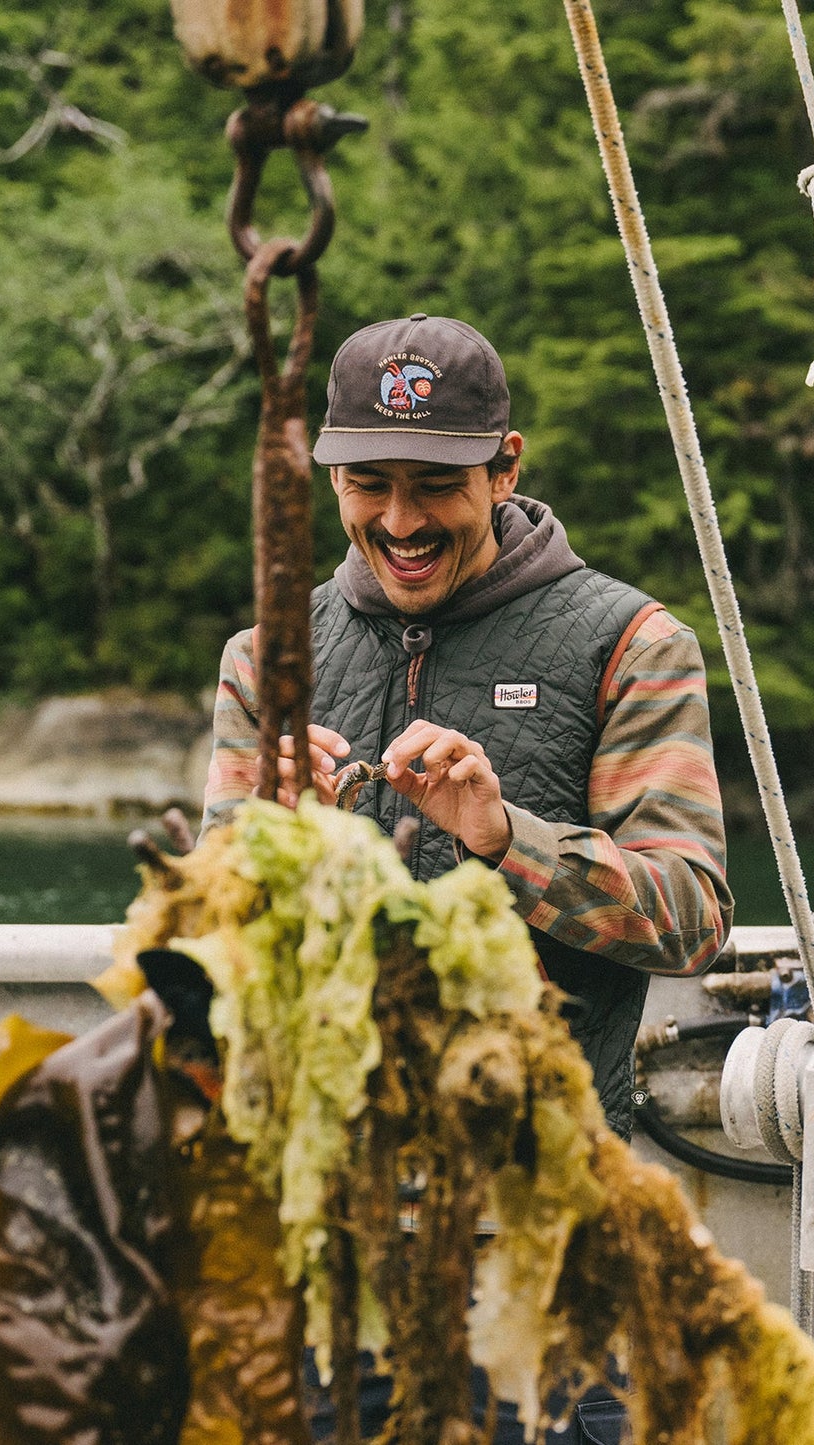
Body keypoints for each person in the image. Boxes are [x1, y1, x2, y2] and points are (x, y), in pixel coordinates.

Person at [201, 311, 733, 1142]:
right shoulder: (265, 658)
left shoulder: (633, 645)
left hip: (538, 1172)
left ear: (504, 469)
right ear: (333, 478)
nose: (400, 521)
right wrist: (269, 844)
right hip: (313, 1162)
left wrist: (505, 840)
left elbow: (690, 919)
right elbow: (205, 934)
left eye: (436, 484)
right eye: (368, 483)